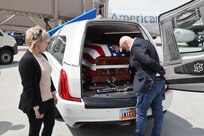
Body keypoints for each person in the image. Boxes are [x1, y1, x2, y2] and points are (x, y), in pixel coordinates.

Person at [119, 36, 166, 136]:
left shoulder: (135, 47)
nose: (125, 51)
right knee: (158, 113)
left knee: (141, 113)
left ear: (125, 43)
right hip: (159, 82)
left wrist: (161, 69)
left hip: (148, 84)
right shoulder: (144, 42)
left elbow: (147, 60)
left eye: (124, 48)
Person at [18, 26, 58, 136]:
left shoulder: (42, 55)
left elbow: (47, 76)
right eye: (45, 42)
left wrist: (53, 93)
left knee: (50, 124)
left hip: (48, 98)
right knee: (35, 130)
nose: (47, 44)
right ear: (37, 42)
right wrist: (36, 108)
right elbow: (28, 88)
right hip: (35, 102)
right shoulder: (26, 60)